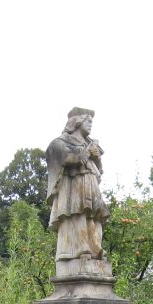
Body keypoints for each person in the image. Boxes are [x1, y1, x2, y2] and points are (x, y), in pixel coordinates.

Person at [46, 107, 110, 261]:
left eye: (91, 122)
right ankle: (80, 248)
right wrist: (85, 153)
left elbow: (99, 170)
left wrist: (97, 157)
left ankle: (96, 248)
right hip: (73, 184)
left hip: (91, 181)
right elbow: (60, 157)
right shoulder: (60, 142)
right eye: (88, 121)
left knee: (96, 215)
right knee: (77, 211)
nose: (90, 124)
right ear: (77, 122)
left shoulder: (91, 143)